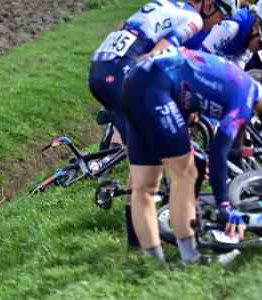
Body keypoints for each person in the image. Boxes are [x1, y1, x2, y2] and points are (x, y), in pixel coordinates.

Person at [88, 0, 227, 248]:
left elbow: (125, 29)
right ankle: (181, 235)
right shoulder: (192, 19)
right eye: (222, 12)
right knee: (178, 160)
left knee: (139, 163)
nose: (220, 23)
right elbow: (158, 53)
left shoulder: (164, 4)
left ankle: (137, 245)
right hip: (122, 74)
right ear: (207, 5)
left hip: (101, 70)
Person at [122, 46, 262, 264]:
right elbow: (219, 150)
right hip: (157, 83)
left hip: (137, 80)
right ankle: (191, 259)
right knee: (185, 174)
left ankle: (154, 266)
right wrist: (224, 204)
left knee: (144, 188)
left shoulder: (241, 84)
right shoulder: (246, 98)